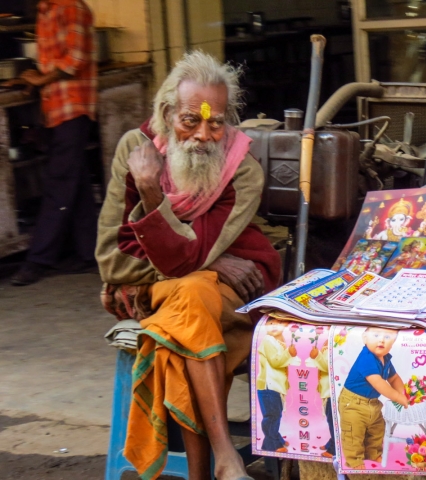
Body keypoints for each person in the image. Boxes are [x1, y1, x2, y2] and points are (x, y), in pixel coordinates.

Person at [95, 51, 281, 480]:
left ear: (228, 121)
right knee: (192, 299)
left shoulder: (242, 171)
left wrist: (156, 210)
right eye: (189, 120)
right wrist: (213, 259)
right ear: (165, 114)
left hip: (227, 295)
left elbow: (190, 257)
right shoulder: (134, 151)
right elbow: (111, 258)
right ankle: (225, 460)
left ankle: (207, 471)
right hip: (182, 292)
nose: (202, 134)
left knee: (186, 311)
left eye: (215, 122)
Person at [8, 0, 98, 286]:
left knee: (59, 181)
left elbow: (74, 61)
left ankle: (38, 260)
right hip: (57, 106)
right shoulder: (45, 10)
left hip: (73, 106)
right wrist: (34, 79)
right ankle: (89, 253)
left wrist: (39, 80)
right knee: (76, 179)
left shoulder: (71, 7)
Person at [338, 328, 407, 468]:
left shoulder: (386, 359)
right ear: (364, 338)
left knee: (377, 429)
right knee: (353, 433)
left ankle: (373, 453)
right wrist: (398, 397)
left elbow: (394, 378)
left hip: (373, 403)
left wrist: (402, 393)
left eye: (387, 337)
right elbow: (379, 384)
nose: (381, 340)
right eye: (376, 335)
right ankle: (354, 461)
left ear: (393, 342)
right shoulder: (366, 358)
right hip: (353, 403)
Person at [257, 319, 297, 453]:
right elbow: (275, 362)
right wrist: (289, 353)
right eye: (270, 323)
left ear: (285, 325)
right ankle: (270, 444)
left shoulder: (280, 341)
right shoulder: (268, 340)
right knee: (272, 415)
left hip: (275, 385)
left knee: (276, 413)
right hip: (268, 385)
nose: (274, 326)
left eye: (278, 323)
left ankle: (276, 438)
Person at [307, 337, 334, 458]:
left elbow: (328, 366)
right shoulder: (327, 343)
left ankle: (334, 448)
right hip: (328, 390)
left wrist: (317, 356)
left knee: (333, 420)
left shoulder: (335, 344)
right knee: (331, 418)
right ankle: (332, 442)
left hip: (332, 391)